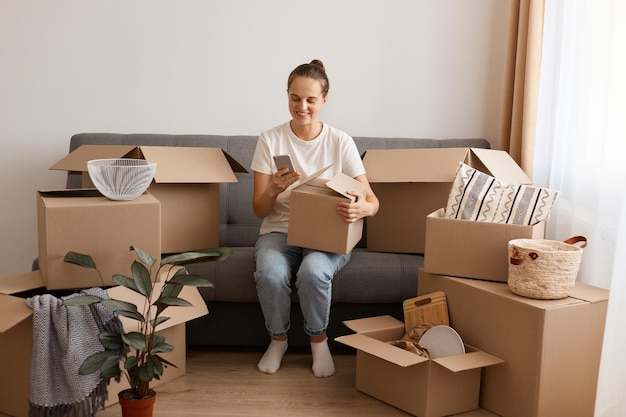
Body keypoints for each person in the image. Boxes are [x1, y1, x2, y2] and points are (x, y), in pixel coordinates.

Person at [250, 59, 379, 378]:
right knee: (270, 273)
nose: (302, 106)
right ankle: (277, 340)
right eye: (295, 98)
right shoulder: (270, 140)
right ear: (287, 96)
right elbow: (259, 209)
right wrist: (274, 190)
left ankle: (318, 340)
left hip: (328, 235)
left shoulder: (340, 141)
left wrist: (361, 209)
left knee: (313, 271)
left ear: (324, 100)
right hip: (279, 231)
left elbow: (373, 201)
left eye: (310, 99)